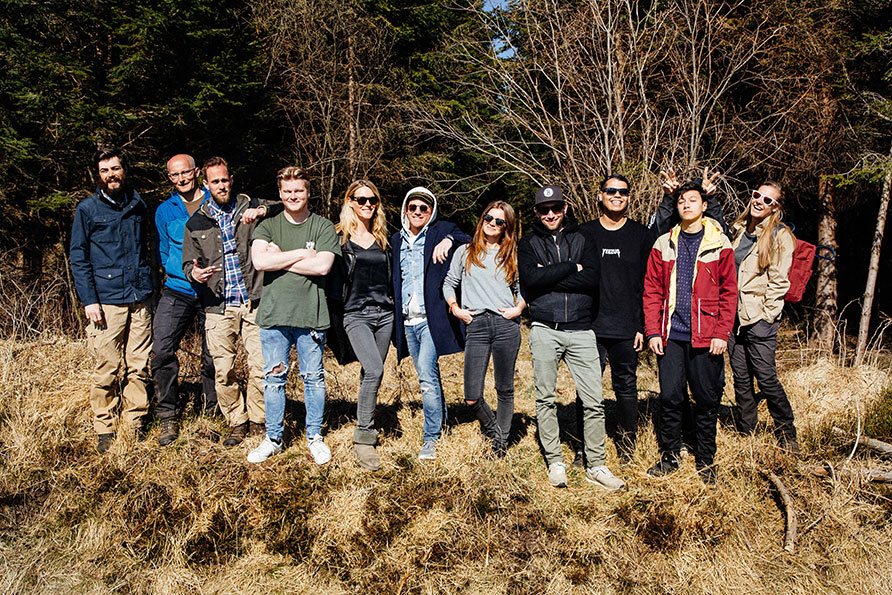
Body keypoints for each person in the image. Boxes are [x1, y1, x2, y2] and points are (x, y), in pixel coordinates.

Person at [518, 184, 625, 491]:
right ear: (536, 212)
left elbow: (592, 279)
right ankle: (555, 461)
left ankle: (596, 465)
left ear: (565, 208)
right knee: (545, 398)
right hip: (544, 329)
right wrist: (569, 267)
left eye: (555, 208)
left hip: (581, 329)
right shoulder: (528, 243)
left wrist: (550, 275)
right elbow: (532, 281)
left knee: (594, 402)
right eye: (543, 209)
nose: (550, 214)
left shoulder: (583, 237)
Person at [643, 180, 737, 484]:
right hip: (670, 335)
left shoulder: (719, 243)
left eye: (693, 200)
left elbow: (729, 292)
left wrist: (722, 333)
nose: (686, 205)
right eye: (681, 200)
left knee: (706, 399)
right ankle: (669, 454)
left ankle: (706, 459)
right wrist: (653, 331)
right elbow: (652, 291)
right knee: (670, 397)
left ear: (704, 205)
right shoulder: (664, 242)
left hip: (707, 336)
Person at [248, 167, 341, 464]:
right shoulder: (268, 225)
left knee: (313, 378)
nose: (293, 196)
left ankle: (315, 437)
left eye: (298, 191)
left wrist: (282, 258)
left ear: (308, 192)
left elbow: (323, 267)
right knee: (274, 379)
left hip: (311, 315)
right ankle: (273, 438)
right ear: (279, 193)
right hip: (274, 315)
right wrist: (303, 254)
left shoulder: (323, 226)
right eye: (287, 191)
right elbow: (260, 260)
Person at [182, 157, 276, 448]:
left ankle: (259, 421)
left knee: (262, 366)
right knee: (223, 370)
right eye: (215, 182)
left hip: (254, 301)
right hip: (218, 306)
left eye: (225, 180)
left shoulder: (250, 204)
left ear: (231, 180)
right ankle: (237, 421)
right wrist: (195, 274)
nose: (221, 185)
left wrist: (260, 210)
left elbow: (285, 205)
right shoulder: (196, 221)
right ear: (206, 184)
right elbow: (188, 264)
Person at [70, 145, 154, 452]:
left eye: (115, 168)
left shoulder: (138, 204)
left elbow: (148, 247)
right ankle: (104, 427)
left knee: (139, 365)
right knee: (107, 366)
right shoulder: (87, 210)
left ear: (124, 170)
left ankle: (135, 422)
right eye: (105, 170)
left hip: (139, 297)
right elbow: (78, 258)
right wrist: (88, 300)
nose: (111, 175)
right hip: (106, 301)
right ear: (98, 175)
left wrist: (151, 288)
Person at [575, 174, 653, 466]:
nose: (616, 195)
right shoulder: (584, 233)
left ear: (629, 197)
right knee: (587, 389)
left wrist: (643, 326)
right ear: (600, 195)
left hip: (626, 327)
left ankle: (627, 447)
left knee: (626, 388)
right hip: (590, 326)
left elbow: (650, 284)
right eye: (611, 191)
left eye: (622, 191)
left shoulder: (641, 235)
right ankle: (584, 448)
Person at [391, 187, 470, 460]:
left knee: (426, 373)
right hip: (407, 319)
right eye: (412, 207)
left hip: (431, 319)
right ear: (405, 210)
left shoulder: (441, 230)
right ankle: (442, 422)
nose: (417, 212)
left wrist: (449, 239)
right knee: (428, 375)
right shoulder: (395, 240)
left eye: (423, 208)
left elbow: (470, 238)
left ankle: (431, 438)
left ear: (431, 211)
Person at [443, 201, 525, 458]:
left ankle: (500, 444)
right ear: (482, 219)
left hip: (505, 324)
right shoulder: (465, 252)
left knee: (505, 388)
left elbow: (524, 289)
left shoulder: (511, 254)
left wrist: (518, 308)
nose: (492, 223)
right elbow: (449, 283)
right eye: (489, 218)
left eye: (500, 221)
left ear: (506, 227)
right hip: (476, 324)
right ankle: (493, 429)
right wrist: (455, 308)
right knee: (471, 396)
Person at [728, 181, 799, 451]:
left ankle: (786, 431)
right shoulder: (737, 230)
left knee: (766, 377)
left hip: (758, 317)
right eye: (757, 195)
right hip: (733, 318)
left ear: (776, 207)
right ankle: (749, 432)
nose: (760, 201)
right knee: (741, 377)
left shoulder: (780, 235)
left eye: (768, 200)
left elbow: (779, 281)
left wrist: (767, 315)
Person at [152, 154, 217, 446]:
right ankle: (168, 414)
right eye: (174, 175)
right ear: (169, 178)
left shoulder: (215, 202)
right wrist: (188, 273)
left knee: (213, 354)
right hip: (178, 288)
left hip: (213, 290)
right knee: (162, 349)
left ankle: (212, 410)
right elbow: (165, 253)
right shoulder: (165, 210)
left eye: (185, 173)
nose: (180, 179)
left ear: (196, 172)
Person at [331, 180, 394, 471]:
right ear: (350, 202)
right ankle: (364, 437)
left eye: (373, 201)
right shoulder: (338, 238)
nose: (368, 205)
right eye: (362, 200)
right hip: (355, 314)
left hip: (385, 315)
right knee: (375, 370)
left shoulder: (384, 238)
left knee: (371, 374)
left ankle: (363, 414)